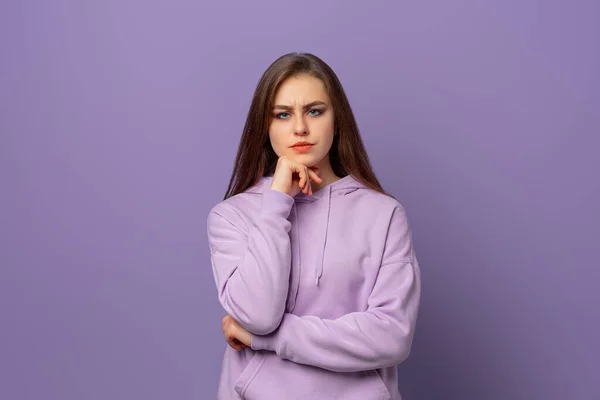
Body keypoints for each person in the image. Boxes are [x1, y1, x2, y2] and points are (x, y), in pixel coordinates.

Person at [206, 52, 421, 400]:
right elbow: (259, 315)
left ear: (337, 120)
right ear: (265, 126)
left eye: (315, 111)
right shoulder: (232, 216)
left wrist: (266, 340)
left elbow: (391, 335)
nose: (300, 128)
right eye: (283, 114)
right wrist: (276, 202)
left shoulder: (385, 215)